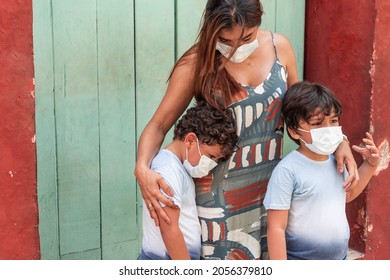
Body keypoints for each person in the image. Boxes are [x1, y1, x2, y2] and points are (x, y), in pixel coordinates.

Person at [134, 0, 358, 260]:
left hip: (272, 193)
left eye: (246, 38)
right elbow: (159, 124)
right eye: (226, 41)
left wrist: (339, 141)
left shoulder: (280, 49)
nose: (235, 48)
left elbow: (306, 111)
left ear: (259, 20)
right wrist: (141, 168)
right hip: (217, 202)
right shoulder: (197, 63)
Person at [264, 81, 380, 260]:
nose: (328, 129)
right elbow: (276, 227)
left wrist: (370, 164)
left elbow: (347, 194)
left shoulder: (337, 162)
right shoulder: (287, 171)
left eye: (333, 121)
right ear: (295, 132)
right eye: (317, 123)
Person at [138, 101, 239, 260]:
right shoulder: (168, 170)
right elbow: (170, 230)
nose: (212, 164)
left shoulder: (177, 168)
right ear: (190, 140)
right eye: (211, 156)